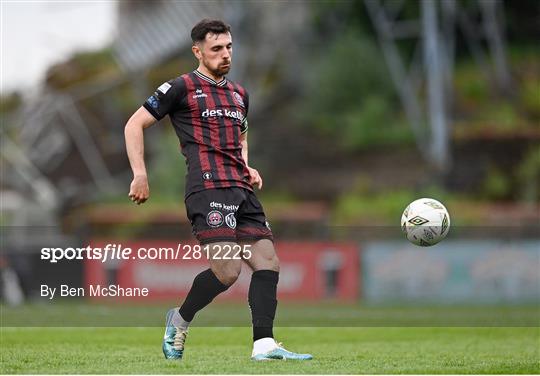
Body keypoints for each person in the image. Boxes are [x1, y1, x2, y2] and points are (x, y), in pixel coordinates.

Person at [124, 19, 312, 361]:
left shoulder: (240, 94)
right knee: (228, 271)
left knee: (268, 262)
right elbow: (134, 123)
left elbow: (240, 136)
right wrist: (140, 174)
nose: (225, 55)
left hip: (241, 188)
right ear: (198, 52)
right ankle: (179, 320)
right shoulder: (179, 87)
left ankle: (264, 345)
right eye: (216, 49)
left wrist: (247, 165)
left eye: (228, 47)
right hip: (207, 187)